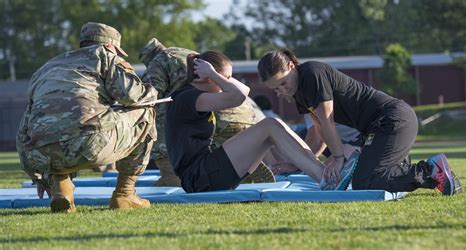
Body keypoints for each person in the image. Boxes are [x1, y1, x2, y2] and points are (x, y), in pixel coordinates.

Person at [257, 48, 462, 195]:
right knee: (364, 174)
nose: (282, 91)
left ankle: (431, 170)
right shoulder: (300, 94)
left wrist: (337, 157)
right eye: (276, 89)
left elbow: (327, 119)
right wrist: (297, 164)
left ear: (292, 66)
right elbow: (317, 133)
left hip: (393, 119)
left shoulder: (311, 73)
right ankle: (403, 167)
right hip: (375, 128)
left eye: (283, 83)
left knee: (365, 180)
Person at [16, 22, 158, 213]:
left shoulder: (47, 67)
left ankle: (62, 190)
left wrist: (37, 175)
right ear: (109, 46)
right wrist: (152, 92)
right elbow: (133, 96)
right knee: (146, 112)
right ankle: (125, 194)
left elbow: (26, 124)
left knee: (54, 132)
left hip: (39, 154)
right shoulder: (105, 57)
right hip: (91, 144)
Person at [164, 50, 329, 193]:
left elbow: (244, 90)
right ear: (204, 77)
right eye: (226, 79)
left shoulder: (192, 95)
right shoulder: (187, 98)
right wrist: (214, 74)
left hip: (205, 173)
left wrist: (217, 75)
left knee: (271, 128)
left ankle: (325, 173)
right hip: (198, 177)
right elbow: (238, 96)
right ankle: (325, 178)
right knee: (270, 125)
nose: (226, 84)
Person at [139, 38, 274, 187]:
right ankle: (246, 167)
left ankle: (170, 178)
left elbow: (148, 98)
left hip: (211, 113)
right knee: (223, 158)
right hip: (241, 114)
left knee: (164, 124)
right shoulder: (197, 58)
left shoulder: (159, 61)